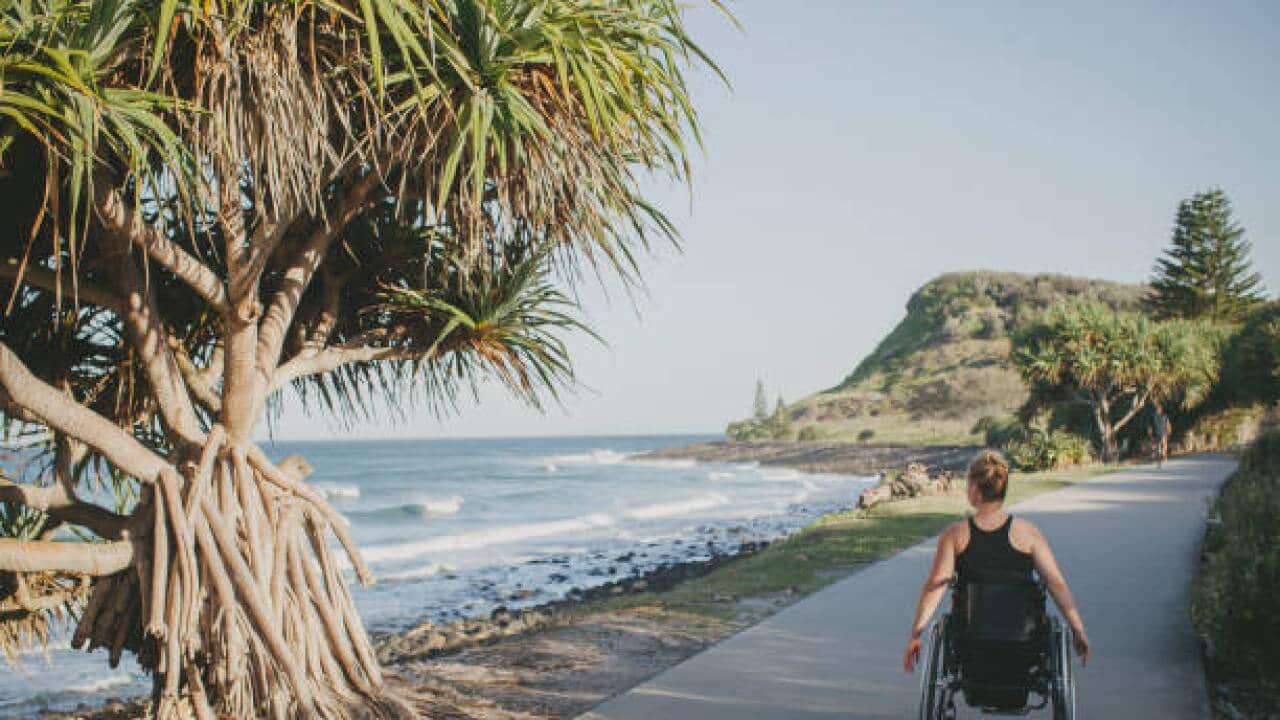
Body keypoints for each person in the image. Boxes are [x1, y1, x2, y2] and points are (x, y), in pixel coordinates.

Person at [903, 450, 1090, 674]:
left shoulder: (955, 535)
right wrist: (1078, 629)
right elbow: (1055, 583)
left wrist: (915, 634)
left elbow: (936, 585)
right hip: (1024, 641)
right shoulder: (1028, 533)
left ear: (973, 488)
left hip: (969, 642)